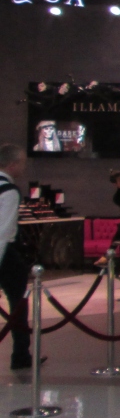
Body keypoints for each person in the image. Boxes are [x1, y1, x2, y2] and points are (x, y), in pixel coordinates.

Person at [0, 143, 33, 369]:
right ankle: (21, 355)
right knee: (18, 304)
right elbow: (4, 231)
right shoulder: (9, 191)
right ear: (12, 164)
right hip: (6, 255)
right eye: (21, 163)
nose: (23, 167)